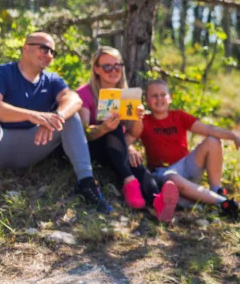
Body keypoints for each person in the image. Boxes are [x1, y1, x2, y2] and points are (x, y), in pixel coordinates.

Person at [0, 33, 112, 222]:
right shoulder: (1, 73)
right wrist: (36, 116)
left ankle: (87, 183)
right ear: (25, 48)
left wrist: (55, 118)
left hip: (33, 146)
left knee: (69, 117)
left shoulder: (52, 80)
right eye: (44, 49)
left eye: (53, 52)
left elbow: (74, 99)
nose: (49, 55)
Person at [76, 47, 179, 222]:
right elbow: (84, 134)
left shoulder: (127, 94)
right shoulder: (84, 93)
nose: (113, 71)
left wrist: (138, 120)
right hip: (92, 148)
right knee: (114, 126)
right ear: (96, 69)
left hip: (117, 149)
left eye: (117, 66)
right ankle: (128, 181)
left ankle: (158, 201)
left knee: (138, 164)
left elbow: (134, 133)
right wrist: (104, 128)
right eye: (107, 66)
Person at [136, 79, 240, 219]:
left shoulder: (179, 116)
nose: (159, 99)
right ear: (146, 100)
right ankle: (224, 204)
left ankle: (217, 191)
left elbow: (208, 129)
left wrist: (234, 136)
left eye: (162, 94)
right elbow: (128, 138)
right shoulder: (144, 121)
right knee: (172, 179)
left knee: (212, 140)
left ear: (170, 98)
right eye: (154, 95)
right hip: (164, 172)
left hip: (186, 165)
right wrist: (130, 149)